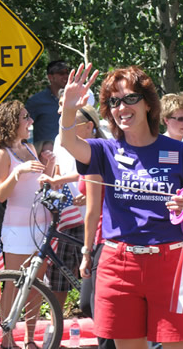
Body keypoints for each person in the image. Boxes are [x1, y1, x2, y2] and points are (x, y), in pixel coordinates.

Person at [60, 63, 183, 349]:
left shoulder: (178, 152)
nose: (122, 107)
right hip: (118, 265)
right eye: (114, 101)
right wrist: (69, 107)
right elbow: (68, 141)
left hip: (171, 265)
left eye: (130, 98)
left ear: (148, 104)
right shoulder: (104, 150)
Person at [0, 100, 56, 349]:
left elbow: (40, 184)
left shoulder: (29, 148)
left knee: (36, 284)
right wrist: (18, 172)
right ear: (12, 122)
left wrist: (49, 165)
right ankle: (7, 338)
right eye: (26, 117)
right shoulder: (2, 153)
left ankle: (30, 338)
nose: (31, 122)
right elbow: (1, 194)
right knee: (14, 284)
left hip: (41, 225)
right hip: (17, 227)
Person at [41, 104, 105, 311]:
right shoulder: (62, 138)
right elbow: (62, 171)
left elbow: (95, 177)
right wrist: (53, 179)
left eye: (72, 124)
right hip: (70, 216)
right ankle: (54, 331)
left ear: (89, 126)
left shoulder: (101, 145)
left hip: (97, 224)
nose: (65, 127)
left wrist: (90, 196)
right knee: (59, 280)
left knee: (94, 290)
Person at [26, 60, 95, 143]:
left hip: (74, 151)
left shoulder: (78, 98)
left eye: (67, 73)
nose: (66, 76)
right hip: (46, 154)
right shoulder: (36, 101)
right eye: (61, 73)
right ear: (50, 77)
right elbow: (22, 127)